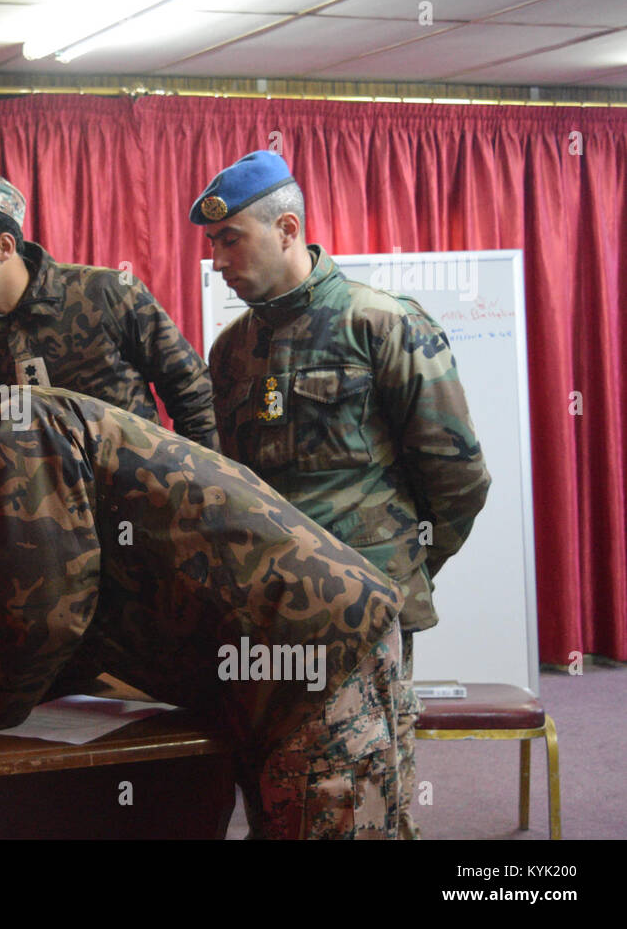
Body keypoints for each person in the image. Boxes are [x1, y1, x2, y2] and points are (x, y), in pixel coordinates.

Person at [0, 369, 407, 839]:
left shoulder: (8, 432)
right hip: (300, 642)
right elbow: (78, 613)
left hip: (308, 649)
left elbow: (47, 618)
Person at [190, 150, 491, 839]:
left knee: (357, 797)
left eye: (229, 239)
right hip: (267, 617)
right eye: (212, 244)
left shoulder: (381, 324)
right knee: (278, 797)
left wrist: (394, 571)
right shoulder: (232, 350)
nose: (217, 260)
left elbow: (458, 478)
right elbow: (232, 487)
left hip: (360, 623)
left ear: (287, 229)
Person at [0, 162, 219, 450]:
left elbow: (193, 395)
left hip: (134, 505)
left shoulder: (106, 295)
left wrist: (199, 493)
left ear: (4, 246)